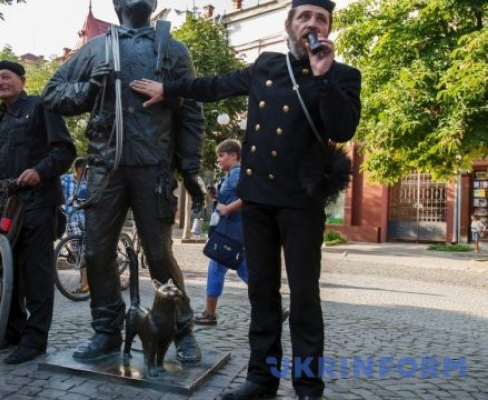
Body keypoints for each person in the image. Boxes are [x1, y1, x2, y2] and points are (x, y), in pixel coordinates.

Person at [130, 1, 361, 398]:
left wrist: (323, 76)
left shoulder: (343, 75)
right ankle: (262, 379)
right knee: (262, 295)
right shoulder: (266, 65)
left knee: (305, 298)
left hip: (301, 202)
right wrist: (170, 89)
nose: (312, 23)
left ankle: (308, 385)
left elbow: (342, 128)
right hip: (258, 199)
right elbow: (216, 86)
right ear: (288, 24)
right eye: (304, 16)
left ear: (328, 28)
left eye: (320, 18)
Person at [42, 0, 206, 363]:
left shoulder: (175, 49)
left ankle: (182, 329)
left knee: (160, 254)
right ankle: (105, 331)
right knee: (99, 252)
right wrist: (87, 89)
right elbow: (53, 93)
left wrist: (190, 168)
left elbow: (191, 109)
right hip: (106, 167)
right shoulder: (96, 48)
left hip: (153, 166)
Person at [0, 60, 76, 365]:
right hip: (7, 205)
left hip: (39, 202)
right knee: (8, 271)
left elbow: (65, 151)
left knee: (36, 273)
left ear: (22, 80)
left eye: (5, 77)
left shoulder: (41, 107)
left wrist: (40, 170)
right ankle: (12, 332)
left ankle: (35, 339)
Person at [194, 139, 248, 326]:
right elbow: (232, 196)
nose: (218, 160)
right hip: (230, 232)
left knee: (228, 269)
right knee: (229, 268)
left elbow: (248, 196)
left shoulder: (236, 173)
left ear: (234, 155)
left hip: (231, 232)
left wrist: (227, 209)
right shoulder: (230, 175)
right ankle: (272, 306)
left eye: (221, 156)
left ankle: (210, 314)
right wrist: (217, 197)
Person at [60, 157, 89, 293]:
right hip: (70, 220)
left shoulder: (88, 182)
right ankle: (84, 280)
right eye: (85, 170)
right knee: (77, 251)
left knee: (85, 251)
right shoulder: (65, 179)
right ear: (78, 169)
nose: (86, 173)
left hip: (85, 220)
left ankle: (85, 283)